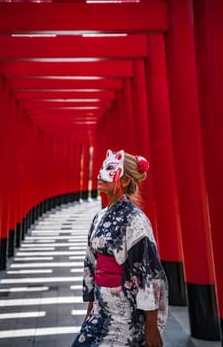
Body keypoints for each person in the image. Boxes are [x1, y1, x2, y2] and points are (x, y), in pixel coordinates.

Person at [71, 149, 168, 347]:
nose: (100, 174)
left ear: (124, 181)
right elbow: (92, 264)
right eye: (101, 168)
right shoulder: (99, 217)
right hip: (100, 308)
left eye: (110, 169)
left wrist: (151, 326)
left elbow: (148, 274)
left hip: (124, 311)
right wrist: (91, 309)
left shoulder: (136, 220)